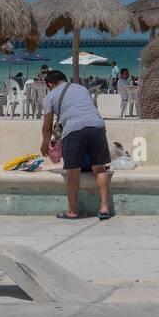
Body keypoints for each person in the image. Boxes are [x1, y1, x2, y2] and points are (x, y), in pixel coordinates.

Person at [39, 70, 113, 220]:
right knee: (99, 169)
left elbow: (47, 126)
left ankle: (72, 211)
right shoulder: (81, 89)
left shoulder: (50, 96)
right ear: (64, 80)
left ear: (50, 84)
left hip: (73, 130)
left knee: (73, 171)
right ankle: (104, 208)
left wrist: (44, 144)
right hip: (97, 126)